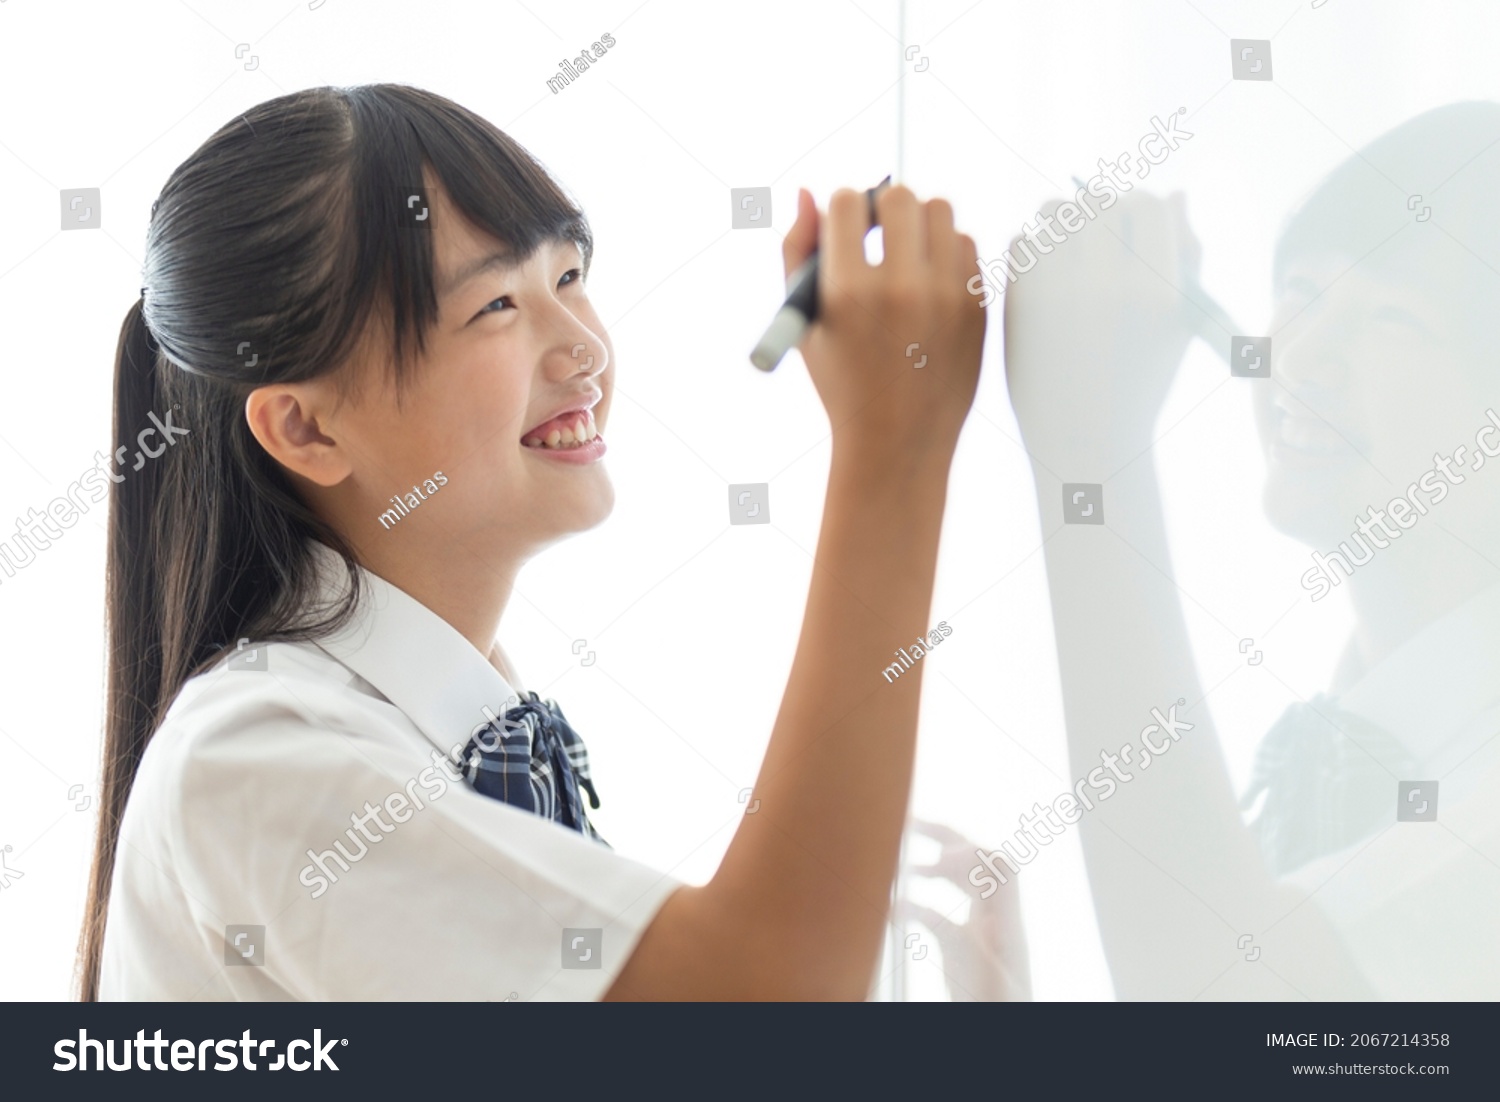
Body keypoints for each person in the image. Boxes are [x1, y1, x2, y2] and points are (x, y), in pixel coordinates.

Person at [79, 84, 986, 1001]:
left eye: (567, 276)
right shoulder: (258, 760)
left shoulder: (454, 718)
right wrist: (892, 450)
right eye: (496, 307)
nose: (582, 349)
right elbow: (763, 1002)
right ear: (308, 431)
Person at [1002, 101, 1500, 999]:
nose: (1297, 354)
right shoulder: (1328, 766)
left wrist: (1092, 456)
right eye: (1300, 294)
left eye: (1393, 319)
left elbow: (1218, 1003)